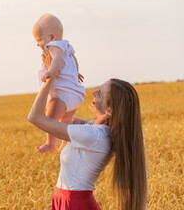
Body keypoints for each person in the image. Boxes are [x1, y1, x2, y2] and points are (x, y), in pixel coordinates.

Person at [27, 54, 147, 210]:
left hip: (74, 204)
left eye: (100, 93)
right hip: (65, 201)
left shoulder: (94, 136)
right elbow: (64, 116)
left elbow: (35, 117)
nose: (93, 93)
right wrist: (65, 77)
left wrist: (51, 77)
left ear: (109, 110)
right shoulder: (95, 129)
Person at [32, 13, 85, 153]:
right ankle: (66, 143)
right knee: (66, 120)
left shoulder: (53, 46)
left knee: (50, 119)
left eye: (39, 39)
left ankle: (50, 144)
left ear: (52, 37)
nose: (37, 44)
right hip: (76, 94)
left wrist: (51, 72)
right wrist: (75, 73)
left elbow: (57, 59)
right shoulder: (66, 45)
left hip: (63, 95)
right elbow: (74, 60)